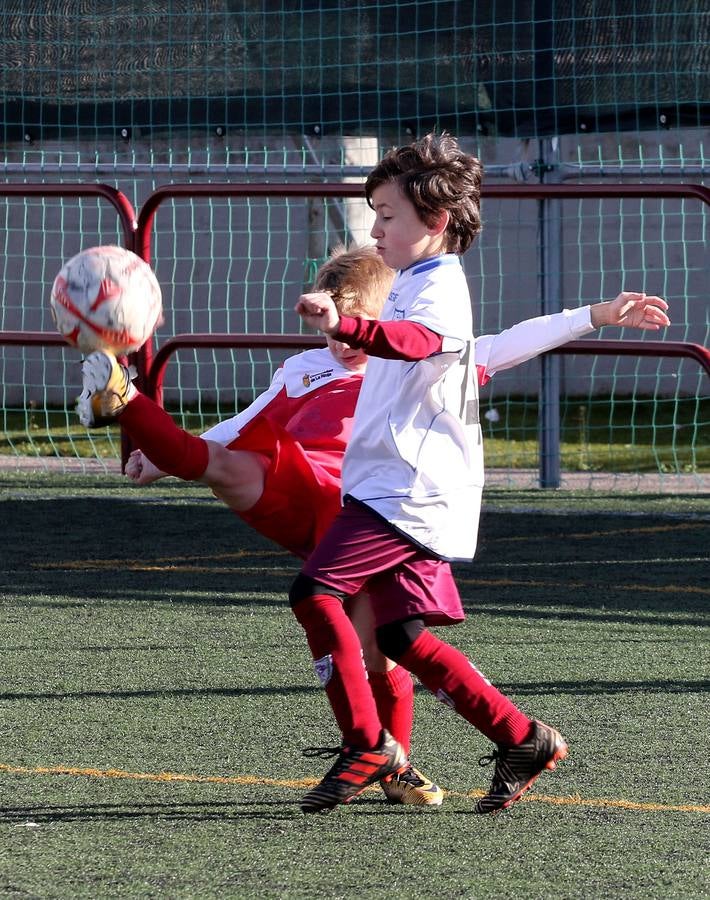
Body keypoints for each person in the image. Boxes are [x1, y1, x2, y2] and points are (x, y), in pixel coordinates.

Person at [78, 229, 669, 811]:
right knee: (227, 470)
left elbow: (514, 340)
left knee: (393, 642)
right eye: (335, 325)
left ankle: (449, 749)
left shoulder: (425, 362)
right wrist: (161, 459)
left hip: (390, 507)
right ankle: (125, 397)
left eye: (355, 323)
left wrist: (597, 314)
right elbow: (240, 423)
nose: (343, 343)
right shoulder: (304, 368)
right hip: (315, 488)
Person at [288, 131, 670, 815]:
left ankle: (366, 742)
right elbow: (488, 349)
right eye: (374, 212)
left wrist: (353, 327)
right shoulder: (416, 283)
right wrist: (591, 315)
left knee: (315, 591)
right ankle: (522, 737)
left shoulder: (434, 290)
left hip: (404, 491)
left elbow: (417, 343)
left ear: (434, 222)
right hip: (406, 488)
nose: (375, 228)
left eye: (387, 214)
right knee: (401, 637)